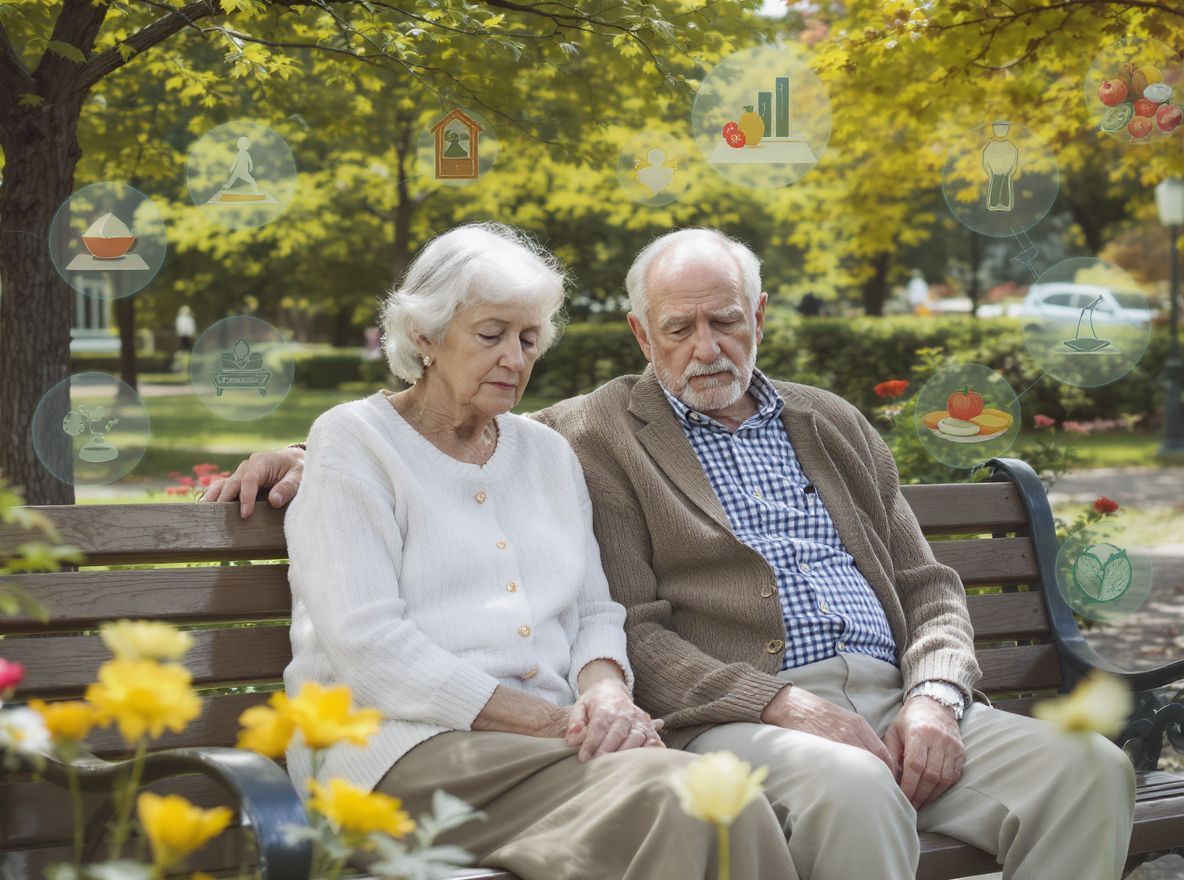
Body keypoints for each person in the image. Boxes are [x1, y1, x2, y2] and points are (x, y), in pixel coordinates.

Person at [210, 227, 1136, 880]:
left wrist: (935, 696)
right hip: (657, 719)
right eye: (679, 328)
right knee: (761, 795)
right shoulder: (592, 432)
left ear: (759, 315)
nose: (706, 347)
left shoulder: (823, 423)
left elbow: (926, 586)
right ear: (641, 335)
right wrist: (304, 454)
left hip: (877, 699)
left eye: (725, 321)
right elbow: (406, 465)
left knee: (1090, 769)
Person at [273, 223, 794, 880]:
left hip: (546, 751)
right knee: (683, 799)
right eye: (491, 335)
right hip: (395, 757)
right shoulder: (355, 442)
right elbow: (369, 647)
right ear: (426, 336)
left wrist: (606, 696)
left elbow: (593, 612)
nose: (514, 359)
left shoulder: (547, 453)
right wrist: (553, 723)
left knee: (724, 799)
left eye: (527, 339)